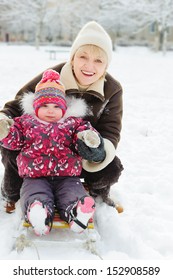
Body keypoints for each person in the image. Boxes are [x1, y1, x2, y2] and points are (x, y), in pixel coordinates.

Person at [0, 21, 124, 214]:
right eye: (83, 56)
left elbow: (111, 129)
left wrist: (99, 151)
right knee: (9, 147)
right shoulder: (51, 77)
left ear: (106, 65)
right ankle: (12, 194)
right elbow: (17, 106)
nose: (89, 66)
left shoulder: (112, 89)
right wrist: (4, 123)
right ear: (73, 58)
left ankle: (96, 193)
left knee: (112, 166)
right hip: (38, 151)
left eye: (98, 61)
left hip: (75, 155)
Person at [0, 69, 107, 236]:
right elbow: (15, 140)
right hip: (35, 176)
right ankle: (39, 213)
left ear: (64, 108)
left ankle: (78, 212)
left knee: (73, 193)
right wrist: (6, 132)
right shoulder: (25, 123)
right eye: (44, 106)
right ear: (35, 107)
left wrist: (88, 138)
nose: (51, 110)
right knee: (34, 194)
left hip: (68, 176)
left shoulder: (73, 124)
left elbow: (82, 138)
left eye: (56, 106)